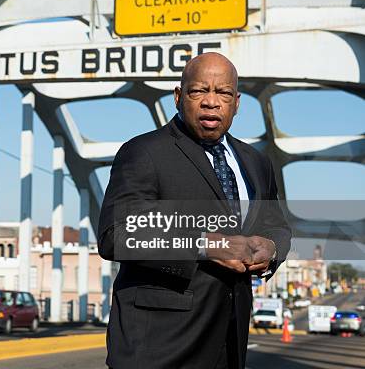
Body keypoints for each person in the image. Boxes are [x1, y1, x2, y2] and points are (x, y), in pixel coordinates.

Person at [98, 53, 292, 369]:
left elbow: (277, 225)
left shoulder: (256, 163)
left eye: (223, 93)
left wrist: (271, 249)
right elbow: (116, 234)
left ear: (237, 102)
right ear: (178, 97)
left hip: (230, 343)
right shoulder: (144, 152)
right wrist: (205, 244)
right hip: (158, 349)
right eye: (198, 91)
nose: (211, 102)